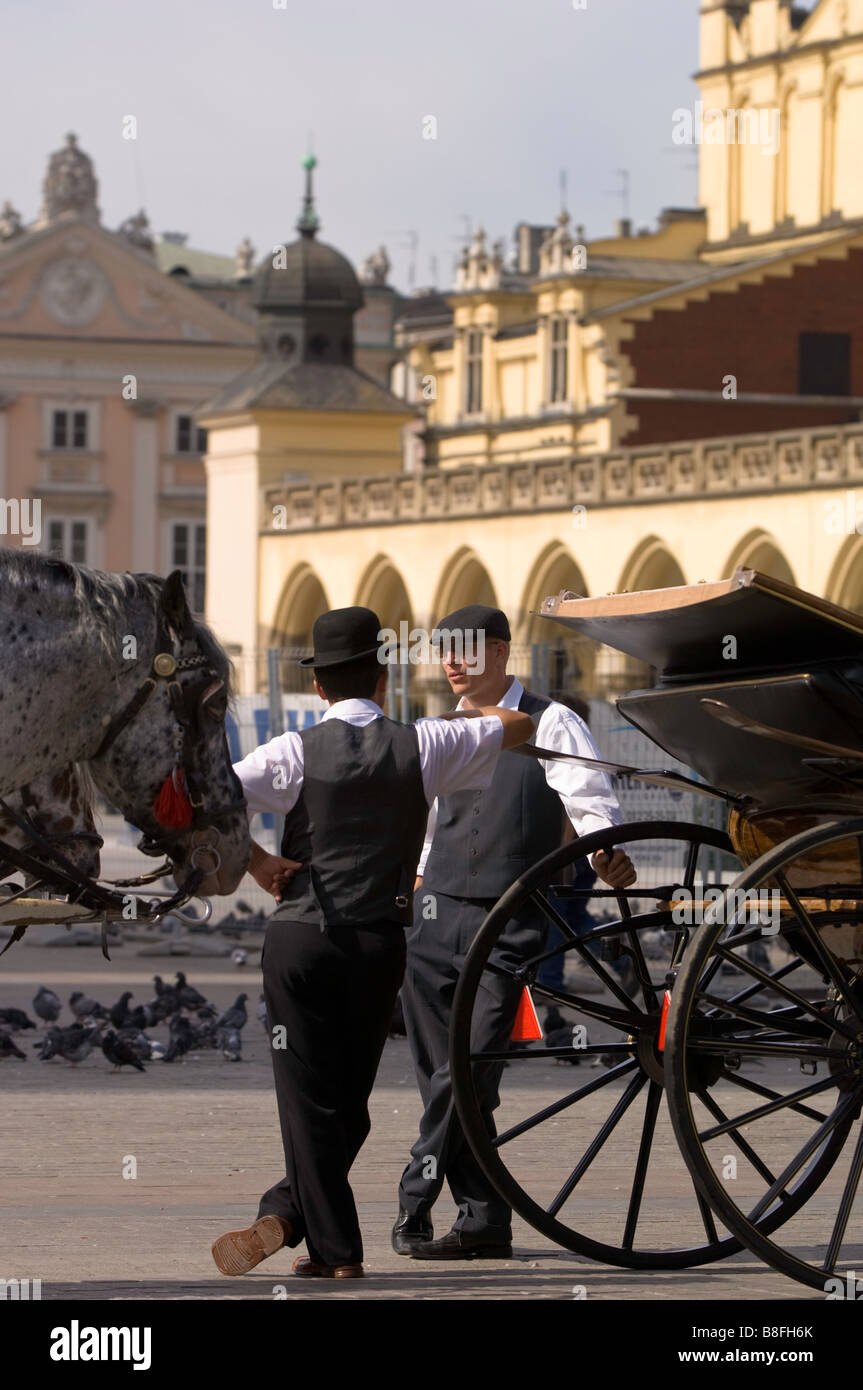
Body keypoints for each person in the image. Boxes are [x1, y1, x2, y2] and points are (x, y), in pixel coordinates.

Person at [210, 606, 535, 1281]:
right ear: (383, 680)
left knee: (306, 1099)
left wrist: (257, 863)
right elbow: (520, 725)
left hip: (300, 939)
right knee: (346, 1106)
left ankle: (327, 1245)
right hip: (377, 947)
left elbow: (214, 800)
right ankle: (300, 1223)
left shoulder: (292, 751)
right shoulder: (425, 745)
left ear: (320, 688)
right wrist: (462, 726)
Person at [394, 604, 636, 1261]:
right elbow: (424, 823)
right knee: (438, 1072)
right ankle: (484, 1222)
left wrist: (602, 853)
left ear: (499, 652)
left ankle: (414, 1191)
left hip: (509, 919)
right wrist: (414, 887)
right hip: (434, 915)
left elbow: (588, 797)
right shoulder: (440, 728)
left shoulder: (550, 719)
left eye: (463, 649)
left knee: (472, 1071)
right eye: (441, 650)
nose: (449, 662)